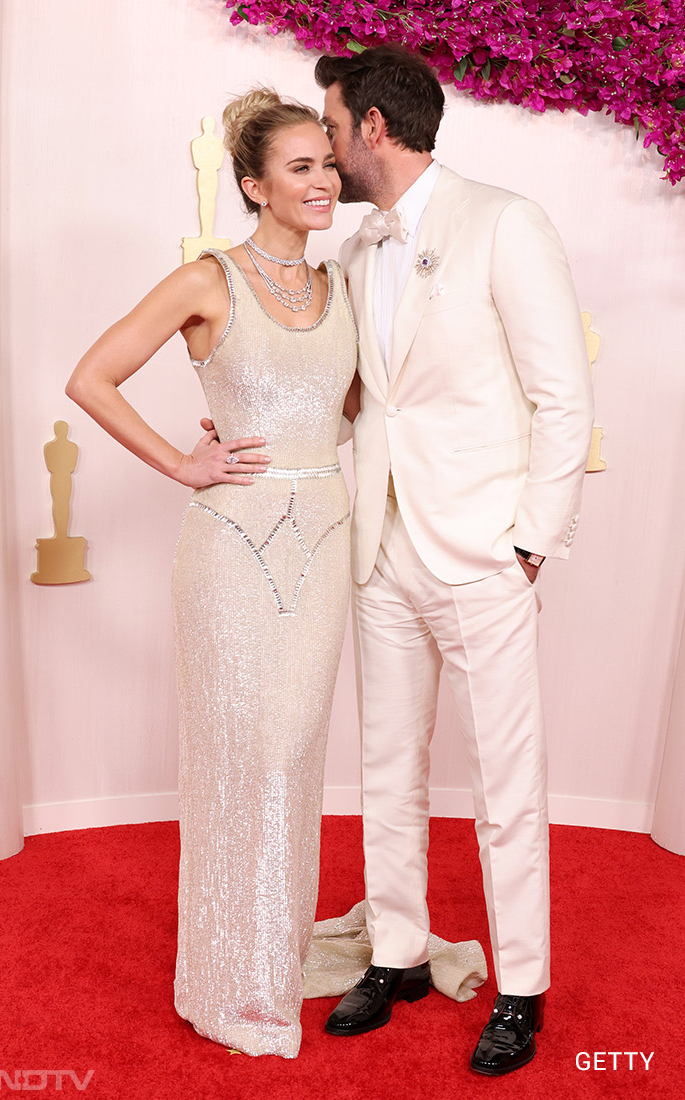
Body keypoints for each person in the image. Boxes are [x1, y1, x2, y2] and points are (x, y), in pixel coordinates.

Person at [315, 46, 594, 1075]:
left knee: (505, 782)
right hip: (381, 545)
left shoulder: (505, 221)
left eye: (334, 124)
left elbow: (562, 392)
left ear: (374, 128)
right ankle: (395, 951)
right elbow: (361, 397)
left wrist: (527, 542)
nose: (329, 145)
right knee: (385, 762)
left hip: (481, 550)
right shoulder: (352, 248)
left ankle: (521, 984)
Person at [66, 89, 358, 1058]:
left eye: (328, 163)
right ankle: (231, 975)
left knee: (296, 748)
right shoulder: (206, 279)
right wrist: (183, 460)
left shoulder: (342, 286)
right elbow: (91, 376)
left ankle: (271, 948)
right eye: (302, 168)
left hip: (324, 536)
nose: (324, 181)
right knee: (247, 752)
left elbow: (347, 408)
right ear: (254, 185)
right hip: (231, 550)